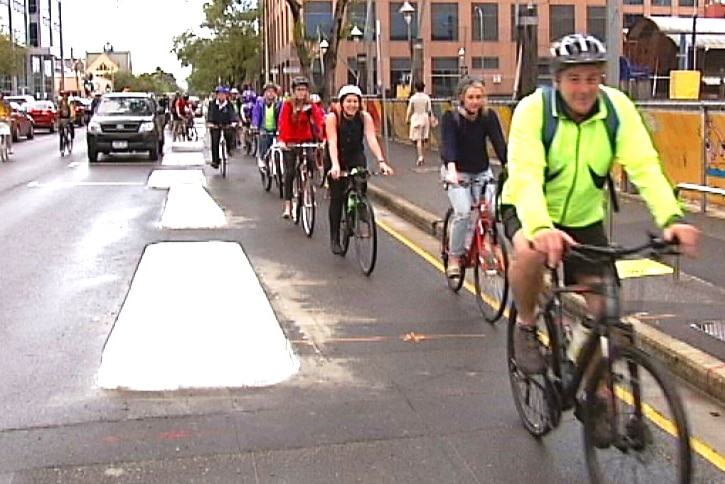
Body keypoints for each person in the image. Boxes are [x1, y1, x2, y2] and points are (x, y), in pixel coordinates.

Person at [500, 33, 700, 376]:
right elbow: (527, 175)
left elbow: (644, 166)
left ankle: (597, 395)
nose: (584, 88)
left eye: (592, 78)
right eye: (574, 79)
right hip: (527, 207)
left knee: (605, 310)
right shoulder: (533, 111)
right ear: (558, 80)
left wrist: (672, 217)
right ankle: (527, 326)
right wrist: (541, 228)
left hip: (583, 217)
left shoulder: (616, 109)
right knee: (530, 253)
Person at [440, 77, 507, 278]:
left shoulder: (488, 116)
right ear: (462, 98)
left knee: (493, 208)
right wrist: (451, 170)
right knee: (463, 212)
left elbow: (499, 144)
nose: (475, 101)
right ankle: (454, 257)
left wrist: (509, 166)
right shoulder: (451, 118)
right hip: (457, 171)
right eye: (471, 97)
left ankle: (487, 242)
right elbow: (449, 145)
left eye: (479, 97)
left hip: (481, 172)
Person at [326, 85, 394, 254]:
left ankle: (358, 209)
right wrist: (335, 165)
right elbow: (332, 142)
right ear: (342, 103)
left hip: (355, 155)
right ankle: (335, 237)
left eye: (355, 101)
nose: (352, 105)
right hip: (337, 156)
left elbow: (371, 139)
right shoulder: (333, 117)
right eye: (348, 101)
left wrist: (381, 161)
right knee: (337, 198)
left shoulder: (364, 117)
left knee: (360, 180)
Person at [277, 76, 325, 219]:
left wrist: (323, 139)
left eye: (304, 90)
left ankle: (307, 186)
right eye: (298, 90)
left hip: (306, 139)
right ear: (293, 91)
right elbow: (283, 124)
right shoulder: (288, 105)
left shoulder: (310, 105)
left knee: (311, 160)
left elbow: (319, 121)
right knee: (290, 172)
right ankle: (288, 205)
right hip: (290, 141)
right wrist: (282, 141)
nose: (301, 93)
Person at [251, 82, 282, 169]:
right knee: (264, 143)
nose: (270, 94)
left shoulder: (279, 104)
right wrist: (255, 125)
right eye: (268, 91)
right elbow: (256, 115)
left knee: (279, 148)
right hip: (264, 129)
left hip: (275, 129)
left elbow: (281, 117)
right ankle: (261, 158)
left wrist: (281, 129)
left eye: (272, 92)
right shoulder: (260, 103)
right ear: (265, 93)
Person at [206, 86, 238, 169]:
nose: (221, 96)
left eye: (223, 94)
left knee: (229, 133)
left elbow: (232, 114)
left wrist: (233, 122)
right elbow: (210, 114)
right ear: (216, 95)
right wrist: (210, 123)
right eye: (219, 94)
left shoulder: (229, 104)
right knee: (215, 140)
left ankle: (229, 148)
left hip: (226, 124)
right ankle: (215, 160)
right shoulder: (212, 104)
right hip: (215, 124)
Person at [406, 81, 434, 166]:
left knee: (417, 139)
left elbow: (409, 109)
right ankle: (422, 155)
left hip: (416, 117)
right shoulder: (427, 98)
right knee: (423, 139)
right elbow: (429, 110)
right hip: (424, 117)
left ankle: (420, 156)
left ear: (415, 88)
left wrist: (407, 118)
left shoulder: (413, 98)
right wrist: (432, 119)